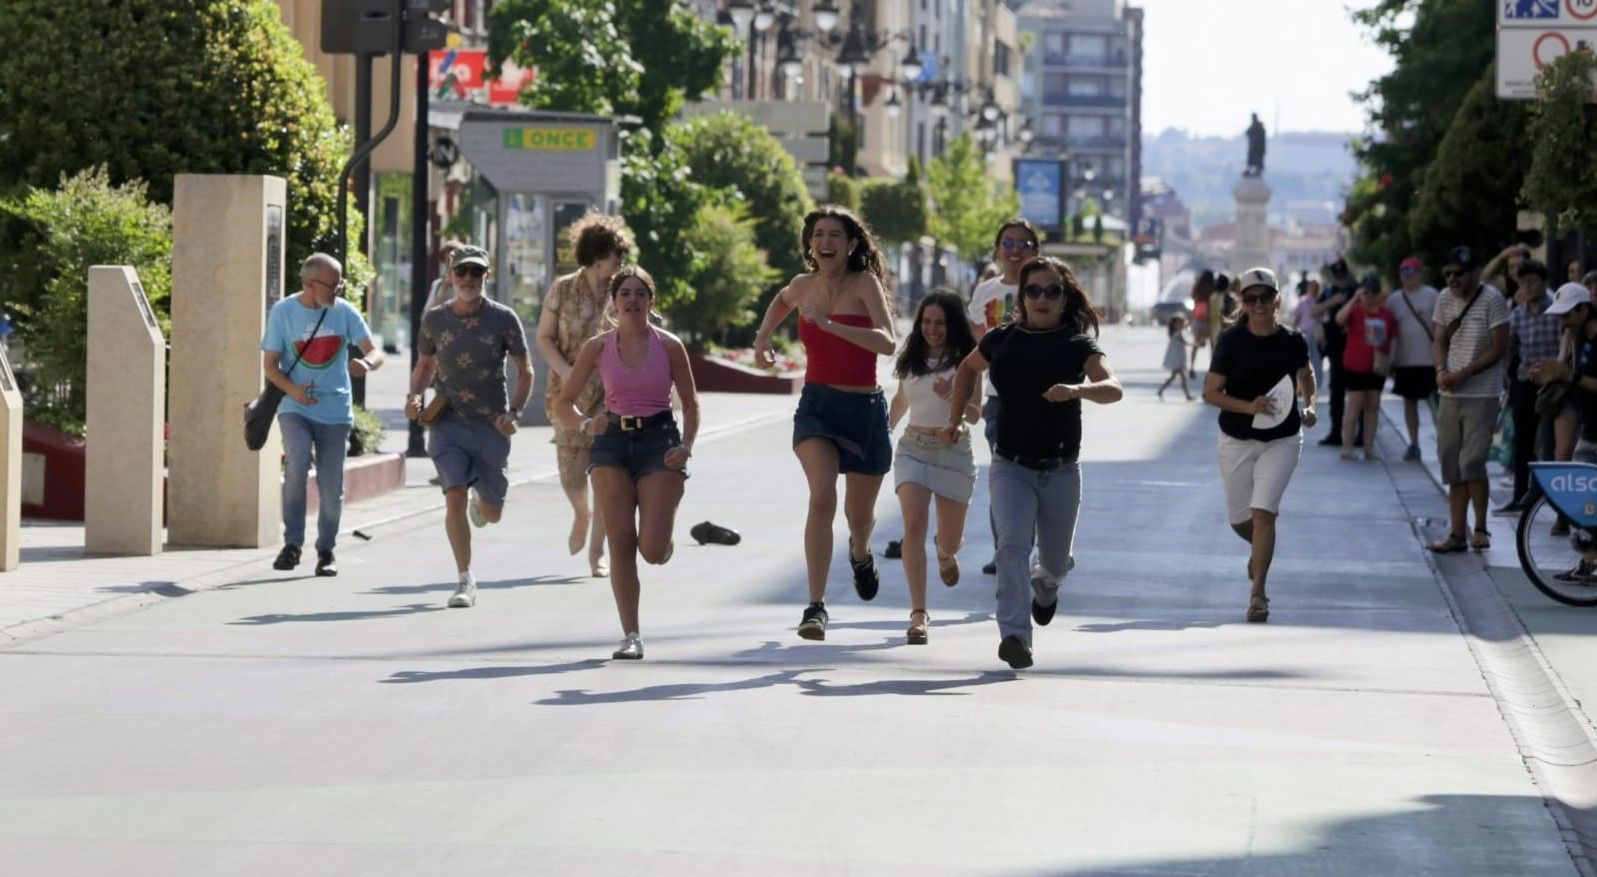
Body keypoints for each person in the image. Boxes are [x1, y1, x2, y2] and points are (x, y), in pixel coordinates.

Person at [945, 256, 1123, 670]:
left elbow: (1113, 387)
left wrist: (1076, 391)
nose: (1042, 298)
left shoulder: (1076, 343)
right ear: (1021, 297)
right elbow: (967, 370)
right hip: (1010, 465)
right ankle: (1015, 636)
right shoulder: (1001, 339)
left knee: (1055, 562)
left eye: (1052, 291)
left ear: (1064, 298)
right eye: (1033, 290)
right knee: (1011, 547)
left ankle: (1047, 586)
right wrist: (955, 419)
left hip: (1061, 469)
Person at [754, 205, 896, 641]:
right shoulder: (803, 285)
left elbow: (887, 342)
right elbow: (782, 300)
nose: (825, 242)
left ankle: (860, 552)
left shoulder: (865, 284)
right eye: (819, 235)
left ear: (851, 244)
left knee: (859, 518)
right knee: (821, 499)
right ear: (810, 244)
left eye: (835, 235)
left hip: (863, 409)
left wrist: (832, 326)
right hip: (817, 406)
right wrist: (763, 337)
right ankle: (815, 606)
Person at [556, 266, 699, 661]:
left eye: (640, 293)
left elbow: (690, 404)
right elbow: (564, 404)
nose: (632, 300)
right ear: (614, 302)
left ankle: (662, 538)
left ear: (651, 301)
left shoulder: (669, 346)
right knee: (620, 540)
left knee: (650, 549)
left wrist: (686, 446)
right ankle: (631, 635)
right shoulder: (598, 347)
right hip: (612, 442)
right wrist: (586, 424)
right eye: (625, 293)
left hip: (659, 441)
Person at [406, 245, 534, 607]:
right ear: (450, 276)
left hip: (492, 424)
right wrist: (415, 396)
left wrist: (514, 413)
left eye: (475, 272)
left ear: (486, 277)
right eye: (461, 272)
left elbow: (525, 371)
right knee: (454, 495)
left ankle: (484, 498)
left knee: (493, 513)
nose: (468, 279)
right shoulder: (435, 319)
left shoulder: (504, 318)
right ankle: (465, 579)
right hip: (448, 422)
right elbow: (425, 365)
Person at [1203, 267, 1316, 623]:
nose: (1259, 305)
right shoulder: (1231, 341)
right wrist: (1248, 406)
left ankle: (1258, 594)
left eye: (1265, 297)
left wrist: (1310, 404)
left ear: (1277, 300)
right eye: (1251, 299)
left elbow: (1306, 374)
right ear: (1243, 302)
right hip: (1236, 438)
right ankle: (1259, 550)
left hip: (1282, 438)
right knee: (1241, 521)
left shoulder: (1293, 340)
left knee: (1263, 514)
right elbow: (1211, 393)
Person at [263, 253, 383, 577]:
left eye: (340, 284)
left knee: (331, 488)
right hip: (295, 406)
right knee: (297, 465)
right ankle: (292, 544)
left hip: (335, 410)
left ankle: (326, 550)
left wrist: (366, 363)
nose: (338, 290)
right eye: (333, 285)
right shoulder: (283, 312)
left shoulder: (344, 312)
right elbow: (270, 365)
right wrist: (294, 390)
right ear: (311, 285)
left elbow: (375, 350)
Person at [536, 213, 631, 578]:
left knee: (605, 476)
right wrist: (565, 371)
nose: (620, 260)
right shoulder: (562, 289)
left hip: (610, 395)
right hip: (567, 393)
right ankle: (581, 513)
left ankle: (597, 552)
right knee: (573, 477)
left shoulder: (622, 291)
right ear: (597, 255)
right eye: (616, 253)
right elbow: (544, 337)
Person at [888, 290, 980, 645]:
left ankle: (945, 551)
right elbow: (901, 399)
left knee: (951, 539)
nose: (932, 329)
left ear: (952, 324)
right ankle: (918, 613)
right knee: (913, 524)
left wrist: (950, 394)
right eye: (926, 322)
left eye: (940, 322)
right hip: (913, 448)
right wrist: (882, 431)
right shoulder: (912, 357)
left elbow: (976, 413)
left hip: (953, 454)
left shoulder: (969, 361)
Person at [966, 218, 1039, 576]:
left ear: (1035, 251)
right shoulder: (985, 292)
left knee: (1038, 478)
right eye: (1008, 243)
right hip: (998, 401)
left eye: (1023, 244)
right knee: (1004, 479)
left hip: (1042, 399)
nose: (1015, 250)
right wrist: (970, 397)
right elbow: (974, 347)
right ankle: (1006, 552)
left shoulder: (1046, 288)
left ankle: (1036, 548)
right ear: (997, 249)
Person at [1427, 246, 1510, 554]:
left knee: (1472, 461)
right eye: (1448, 273)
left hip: (1482, 393)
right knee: (1451, 461)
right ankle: (1456, 533)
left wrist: (1465, 373)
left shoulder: (1492, 299)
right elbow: (1439, 340)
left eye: (1459, 273)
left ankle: (1481, 528)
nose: (1453, 279)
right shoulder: (1444, 299)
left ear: (1476, 272)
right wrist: (1441, 370)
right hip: (1450, 392)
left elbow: (1498, 348)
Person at [1529, 283, 1597, 573]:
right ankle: (1588, 563)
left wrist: (1569, 375)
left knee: (1587, 496)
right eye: (1559, 316)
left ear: (1584, 309)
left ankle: (1588, 561)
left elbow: (1580, 379)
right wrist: (1552, 376)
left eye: (1567, 315)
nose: (1562, 322)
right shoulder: (1577, 338)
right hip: (1590, 426)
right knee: (1587, 499)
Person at [1499, 259, 1561, 514]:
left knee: (1547, 441)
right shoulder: (1516, 314)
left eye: (1533, 282)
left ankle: (1543, 494)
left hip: (1552, 384)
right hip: (1524, 382)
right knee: (1521, 439)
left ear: (1543, 283)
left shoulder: (1556, 311)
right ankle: (1519, 495)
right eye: (1524, 282)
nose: (1528, 287)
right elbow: (1510, 347)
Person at [1335, 274, 1397, 461]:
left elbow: (1393, 338)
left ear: (1379, 294)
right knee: (1354, 404)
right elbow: (1339, 319)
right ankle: (1347, 447)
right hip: (1355, 364)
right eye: (1366, 292)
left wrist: (1391, 363)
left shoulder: (1386, 314)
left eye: (1373, 292)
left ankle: (1369, 447)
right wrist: (1354, 298)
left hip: (1377, 366)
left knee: (1373, 405)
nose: (1369, 296)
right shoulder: (1355, 310)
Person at [1387, 256, 1440, 461]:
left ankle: (1443, 442)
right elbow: (1388, 332)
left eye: (1412, 271)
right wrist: (1390, 361)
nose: (1408, 276)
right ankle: (1414, 443)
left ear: (1420, 273)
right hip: (1405, 360)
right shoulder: (1394, 300)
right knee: (1409, 404)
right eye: (1404, 272)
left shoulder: (1432, 295)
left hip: (1430, 359)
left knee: (1436, 405)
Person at [1314, 258, 1356, 446]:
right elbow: (1314, 311)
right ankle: (1336, 432)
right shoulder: (1329, 292)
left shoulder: (1355, 291)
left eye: (1341, 275)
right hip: (1335, 346)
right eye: (1336, 275)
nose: (1339, 279)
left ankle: (1359, 435)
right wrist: (1332, 302)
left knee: (1356, 391)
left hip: (1354, 345)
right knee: (1336, 391)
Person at [1292, 277, 1324, 386]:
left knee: (1316, 359)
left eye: (1316, 287)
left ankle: (1315, 382)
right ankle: (1305, 383)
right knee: (1306, 359)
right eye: (1312, 287)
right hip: (1306, 334)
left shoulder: (1321, 301)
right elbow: (1297, 318)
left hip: (1317, 335)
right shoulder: (1304, 301)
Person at [1158, 314, 1196, 400]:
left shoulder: (1176, 333)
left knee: (1174, 377)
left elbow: (1186, 327)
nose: (1182, 324)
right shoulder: (1177, 334)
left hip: (1178, 359)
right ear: (1175, 325)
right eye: (1180, 323)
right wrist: (1196, 344)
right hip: (1177, 360)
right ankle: (1187, 395)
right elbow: (1185, 342)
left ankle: (1161, 390)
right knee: (1181, 378)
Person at [1188, 270, 1216, 378]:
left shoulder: (1197, 287)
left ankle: (1191, 367)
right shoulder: (1213, 287)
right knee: (1212, 346)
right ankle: (1213, 368)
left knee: (1196, 344)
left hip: (1198, 318)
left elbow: (1192, 297)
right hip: (1209, 320)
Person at [423, 240, 462, 311]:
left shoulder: (469, 284)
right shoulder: (437, 285)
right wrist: (443, 292)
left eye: (455, 260)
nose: (451, 264)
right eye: (448, 260)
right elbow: (426, 314)